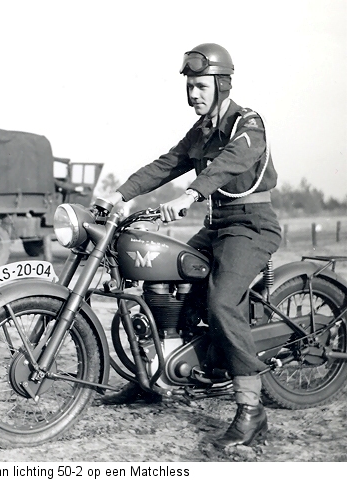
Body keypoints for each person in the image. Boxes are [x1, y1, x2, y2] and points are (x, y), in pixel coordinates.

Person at [101, 43, 282, 448]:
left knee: (221, 302)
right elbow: (167, 163)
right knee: (164, 277)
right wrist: (119, 193)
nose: (193, 94)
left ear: (221, 84)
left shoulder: (247, 123)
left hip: (251, 225)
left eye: (200, 86)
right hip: (218, 225)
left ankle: (251, 411)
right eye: (189, 86)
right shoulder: (200, 132)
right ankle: (150, 377)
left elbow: (231, 162)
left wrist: (191, 195)